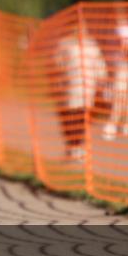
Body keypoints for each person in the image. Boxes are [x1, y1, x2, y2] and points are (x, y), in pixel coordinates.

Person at [53, 31, 107, 160]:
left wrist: (101, 81)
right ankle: (73, 146)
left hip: (85, 87)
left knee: (79, 117)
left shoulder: (91, 46)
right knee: (71, 117)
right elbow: (57, 64)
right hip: (70, 86)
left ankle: (76, 146)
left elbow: (99, 66)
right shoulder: (65, 44)